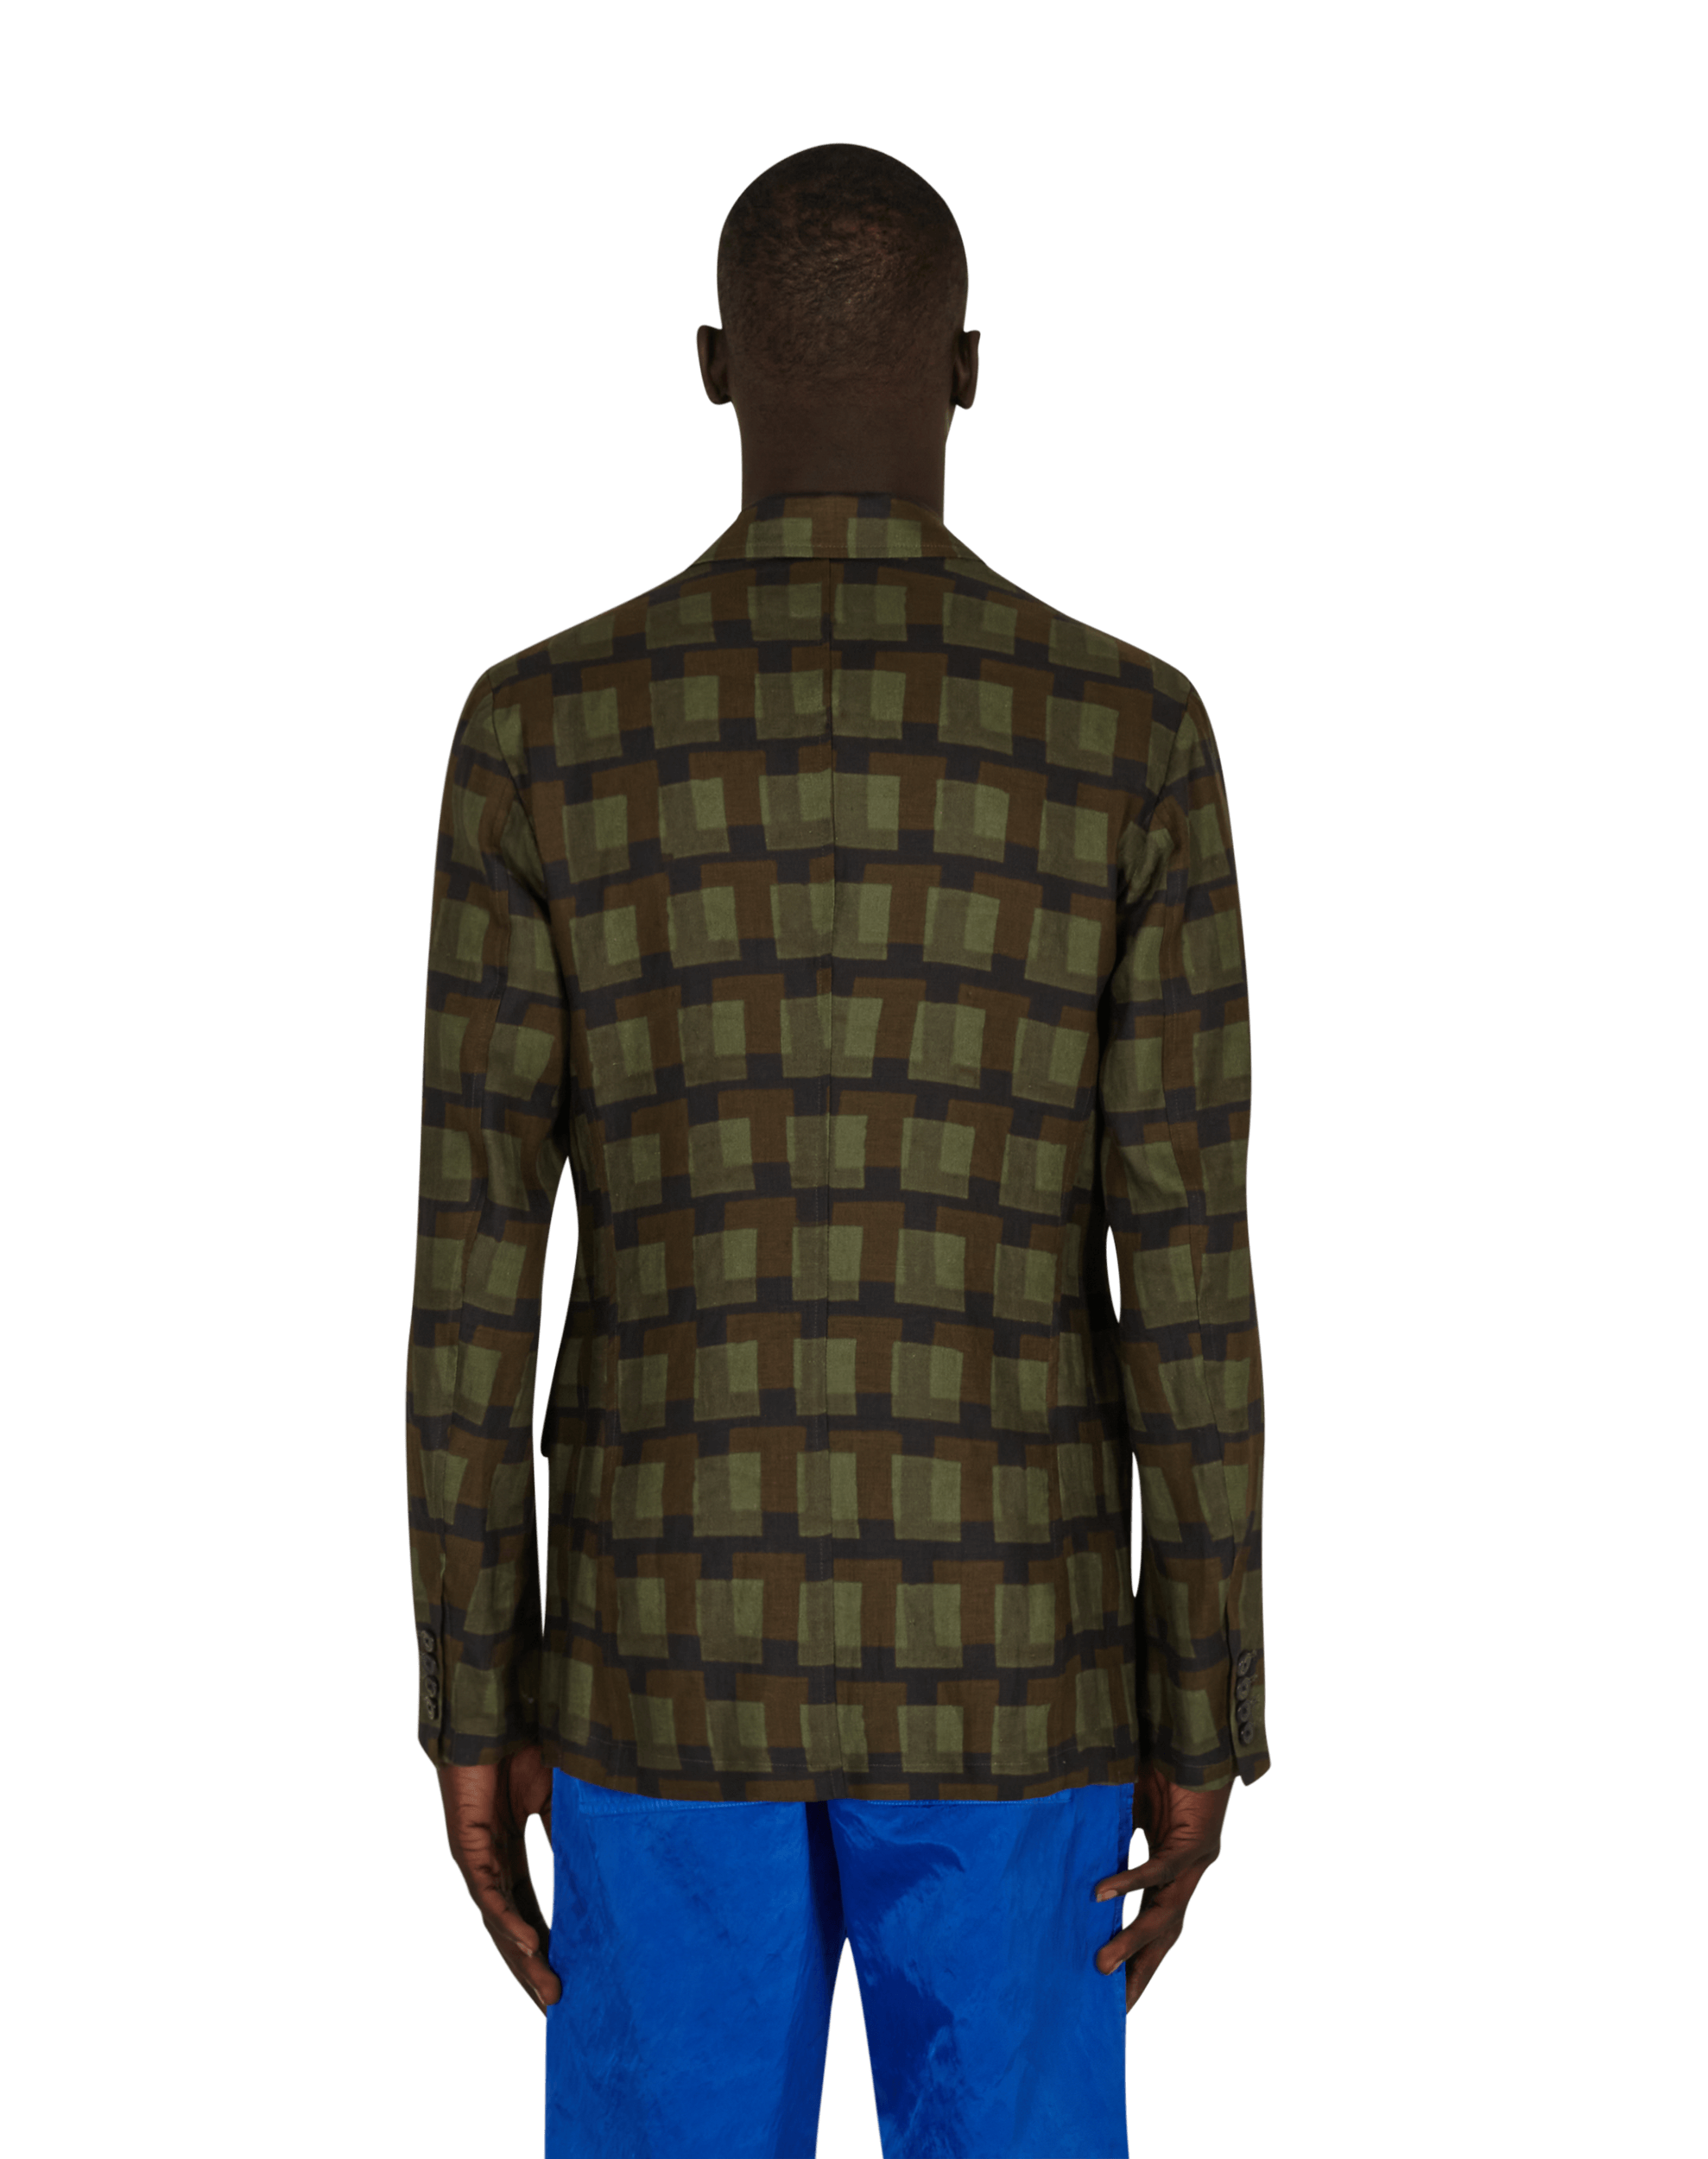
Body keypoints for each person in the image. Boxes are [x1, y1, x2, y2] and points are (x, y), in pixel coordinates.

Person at [412, 140, 1268, 2159]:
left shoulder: (536, 727)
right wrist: (1208, 1704)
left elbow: (476, 1273)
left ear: (712, 366)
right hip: (1023, 1670)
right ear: (968, 370)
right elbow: (1184, 1270)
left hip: (650, 1668)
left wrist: (467, 1689)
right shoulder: (1132, 732)